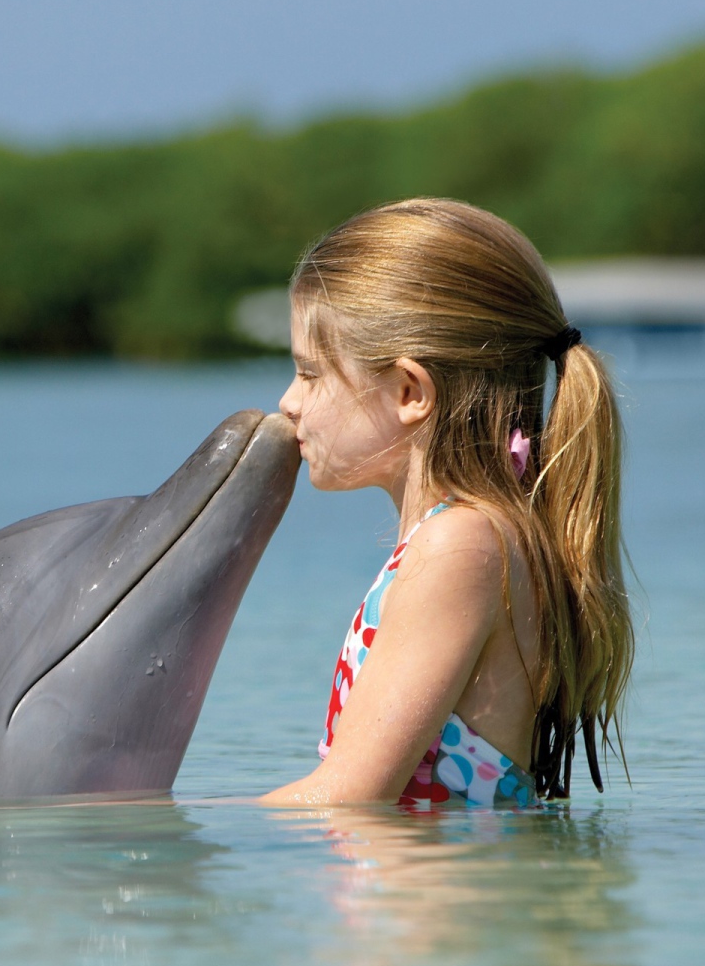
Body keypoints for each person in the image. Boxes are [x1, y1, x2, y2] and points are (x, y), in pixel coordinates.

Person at [260, 198, 632, 807]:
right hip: (441, 899)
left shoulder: (460, 543)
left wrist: (145, 831)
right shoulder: (477, 535)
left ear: (410, 391)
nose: (288, 402)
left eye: (310, 373)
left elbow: (347, 798)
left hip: (450, 902)